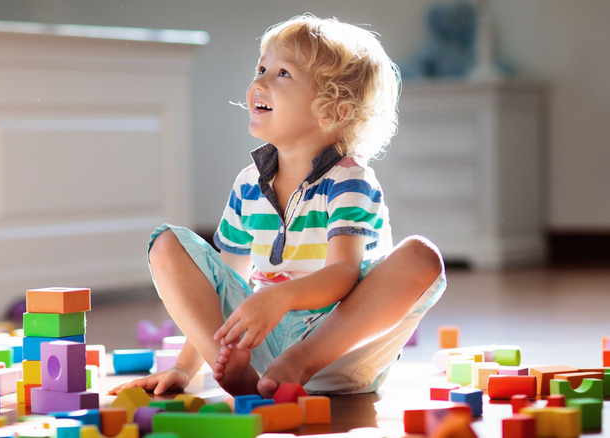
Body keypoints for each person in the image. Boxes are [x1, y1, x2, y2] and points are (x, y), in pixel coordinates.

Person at [109, 13, 446, 398]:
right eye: (262, 68)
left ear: (333, 108)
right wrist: (186, 368)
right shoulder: (247, 185)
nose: (259, 83)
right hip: (262, 345)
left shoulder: (349, 180)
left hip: (338, 347)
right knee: (166, 243)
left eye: (282, 73)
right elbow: (222, 284)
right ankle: (233, 364)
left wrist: (278, 297)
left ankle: (301, 362)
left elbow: (342, 275)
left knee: (422, 256)